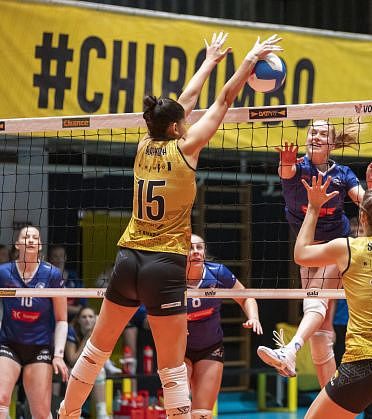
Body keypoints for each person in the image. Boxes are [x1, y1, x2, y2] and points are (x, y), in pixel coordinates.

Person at [58, 32, 283, 419]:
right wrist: (248, 61)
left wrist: (209, 61)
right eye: (183, 120)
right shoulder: (186, 149)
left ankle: (67, 412)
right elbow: (223, 100)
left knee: (95, 350)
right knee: (172, 368)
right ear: (177, 127)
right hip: (163, 266)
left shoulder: (143, 145)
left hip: (128, 258)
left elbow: (185, 102)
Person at [257, 122, 372, 386]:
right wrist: (285, 162)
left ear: (331, 144)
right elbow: (286, 172)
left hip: (338, 246)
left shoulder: (343, 173)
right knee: (320, 329)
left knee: (314, 301)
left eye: (323, 133)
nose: (316, 136)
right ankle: (330, 396)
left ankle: (290, 350)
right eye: (312, 132)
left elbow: (367, 203)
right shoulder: (298, 167)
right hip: (309, 249)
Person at [293, 174, 372, 419]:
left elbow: (301, 254)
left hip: (365, 362)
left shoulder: (349, 248)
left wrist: (313, 207)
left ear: (363, 218)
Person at [185, 234, 262, 418]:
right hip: (178, 349)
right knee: (178, 411)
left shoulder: (217, 272)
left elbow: (246, 297)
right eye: (190, 248)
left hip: (210, 348)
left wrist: (254, 317)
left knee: (202, 414)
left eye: (199, 248)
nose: (196, 252)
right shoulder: (169, 278)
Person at [0, 225, 69, 419]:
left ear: (40, 245)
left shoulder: (52, 274)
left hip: (39, 348)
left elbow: (62, 319)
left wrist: (59, 355)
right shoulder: (4, 272)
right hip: (9, 344)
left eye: (35, 238)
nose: (30, 240)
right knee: (1, 399)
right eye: (26, 237)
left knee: (41, 412)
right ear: (17, 244)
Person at [65, 306, 108, 419]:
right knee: (73, 373)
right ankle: (74, 413)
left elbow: (102, 357)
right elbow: (72, 360)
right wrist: (87, 338)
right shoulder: (71, 330)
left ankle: (102, 413)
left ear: (95, 319)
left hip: (88, 366)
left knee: (100, 371)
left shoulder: (99, 331)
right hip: (66, 367)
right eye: (84, 317)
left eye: (90, 317)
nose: (87, 320)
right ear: (78, 320)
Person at [48, 244, 85, 321]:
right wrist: (72, 309)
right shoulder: (45, 278)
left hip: (74, 321)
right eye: (55, 256)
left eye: (61, 256)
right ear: (50, 259)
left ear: (65, 258)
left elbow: (83, 306)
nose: (59, 259)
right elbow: (48, 306)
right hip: (51, 320)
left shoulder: (74, 278)